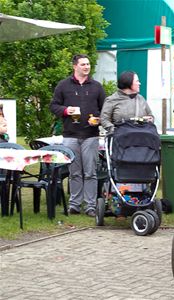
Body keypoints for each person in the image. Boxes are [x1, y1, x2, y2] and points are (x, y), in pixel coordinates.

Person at [50, 54, 106, 216]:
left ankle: (90, 206)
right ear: (75, 66)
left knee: (90, 172)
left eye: (88, 64)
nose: (86, 67)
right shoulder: (63, 85)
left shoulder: (97, 87)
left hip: (91, 135)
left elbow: (105, 110)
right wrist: (66, 111)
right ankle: (74, 204)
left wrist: (99, 120)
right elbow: (53, 106)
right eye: (83, 64)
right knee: (74, 172)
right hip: (70, 135)